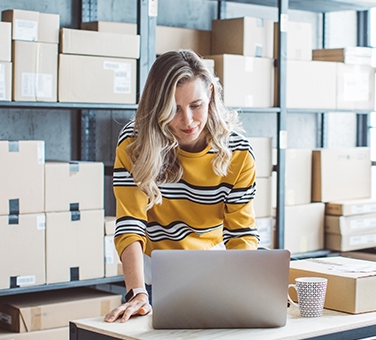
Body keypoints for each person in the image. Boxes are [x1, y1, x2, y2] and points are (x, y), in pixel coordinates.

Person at [104, 50, 260, 323]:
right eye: (174, 109)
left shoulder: (238, 153)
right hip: (151, 280)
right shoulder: (134, 144)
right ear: (156, 106)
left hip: (214, 272)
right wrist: (137, 292)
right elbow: (130, 224)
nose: (187, 121)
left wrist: (246, 286)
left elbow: (242, 235)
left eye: (196, 105)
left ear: (211, 93)